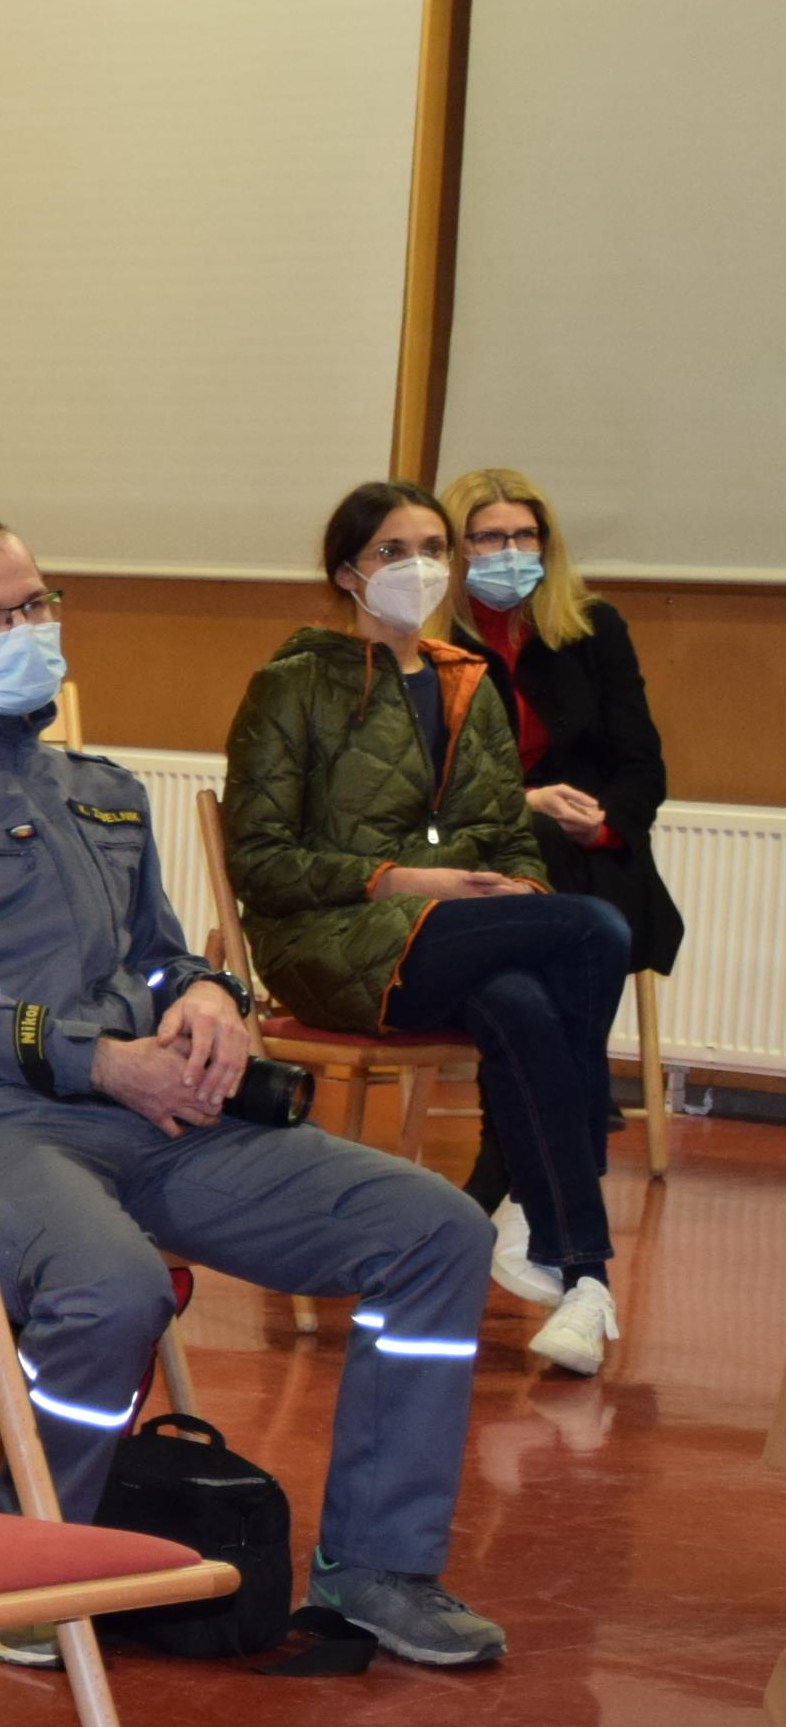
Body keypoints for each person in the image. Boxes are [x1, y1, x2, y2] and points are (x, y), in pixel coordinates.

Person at [0, 519, 510, 1670]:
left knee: (434, 1231)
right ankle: (24, 1554)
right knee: (109, 1288)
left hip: (159, 1115)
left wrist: (209, 999)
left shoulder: (103, 789)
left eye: (34, 602)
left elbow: (158, 957)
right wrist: (100, 1062)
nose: (26, 629)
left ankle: (379, 1567)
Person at [228, 482, 630, 1377]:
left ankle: (581, 1277)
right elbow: (259, 861)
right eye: (393, 552)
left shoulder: (467, 683)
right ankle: (534, 1207)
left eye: (435, 549)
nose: (421, 568)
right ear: (348, 573)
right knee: (595, 928)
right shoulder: (291, 686)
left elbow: (505, 833)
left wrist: (515, 888)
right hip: (330, 939)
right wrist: (404, 880)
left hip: (450, 930)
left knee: (522, 1002)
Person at [442, 464, 685, 1303]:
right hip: (479, 858)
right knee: (539, 888)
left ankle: (502, 1165)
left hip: (597, 857)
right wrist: (525, 805)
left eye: (524, 536)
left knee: (559, 893)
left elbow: (643, 763)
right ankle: (572, 1128)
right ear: (456, 549)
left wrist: (602, 820)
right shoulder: (428, 643)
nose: (509, 551)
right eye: (488, 537)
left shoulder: (592, 626)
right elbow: (431, 788)